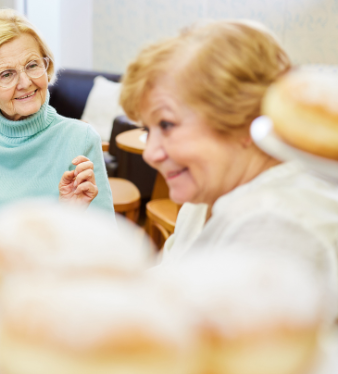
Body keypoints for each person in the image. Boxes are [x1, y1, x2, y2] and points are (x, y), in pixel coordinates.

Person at [119, 20, 338, 291]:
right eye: (146, 129)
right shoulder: (205, 195)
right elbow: (170, 278)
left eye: (166, 125)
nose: (150, 154)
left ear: (247, 120)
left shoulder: (277, 226)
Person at [0, 9, 115, 262]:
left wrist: (71, 218)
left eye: (32, 65)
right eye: (7, 74)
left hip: (53, 282)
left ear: (45, 66)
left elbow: (107, 246)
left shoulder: (80, 139)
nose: (26, 82)